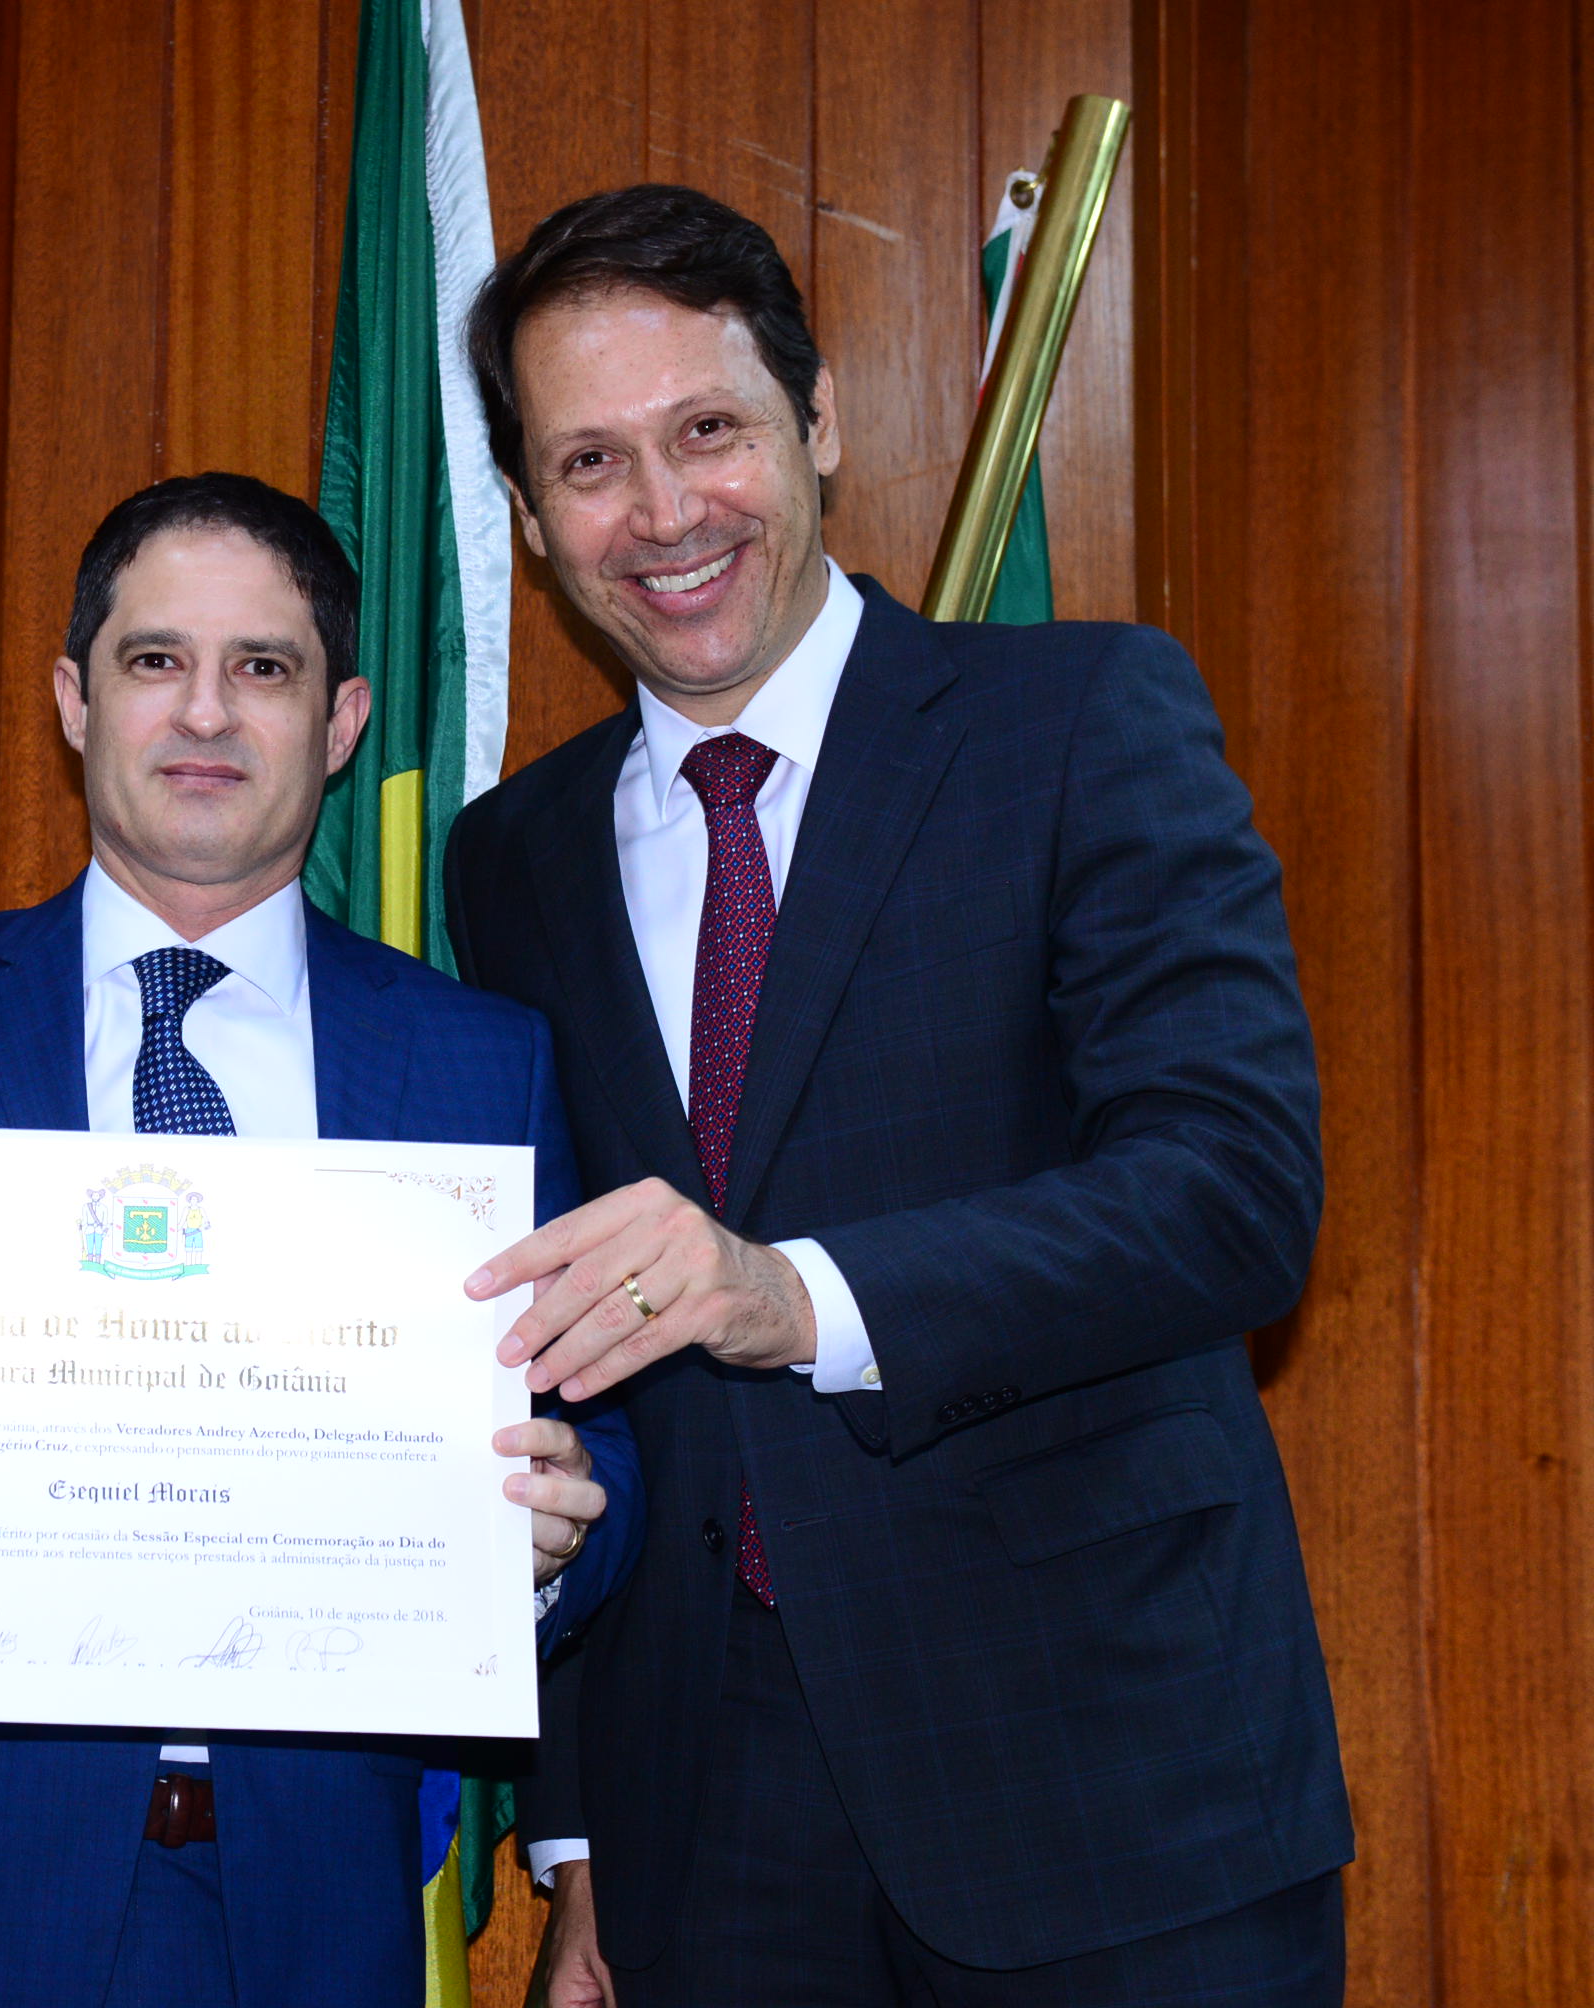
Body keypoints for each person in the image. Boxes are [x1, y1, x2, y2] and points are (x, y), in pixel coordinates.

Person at [441, 185, 1351, 2006]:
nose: (664, 512)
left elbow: (1234, 1192)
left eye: (710, 430)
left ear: (821, 420)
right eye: (592, 463)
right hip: (708, 1840)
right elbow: (558, 1354)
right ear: (532, 519)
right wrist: (584, 1835)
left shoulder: (1079, 719)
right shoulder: (511, 858)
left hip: (1106, 1782)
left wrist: (800, 1297)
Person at [0, 473, 645, 2008]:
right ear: (75, 700)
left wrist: (556, 1531)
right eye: (155, 660)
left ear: (341, 721)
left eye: (264, 668)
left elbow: (602, 1442)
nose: (205, 712)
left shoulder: (480, 1065)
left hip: (303, 1925)